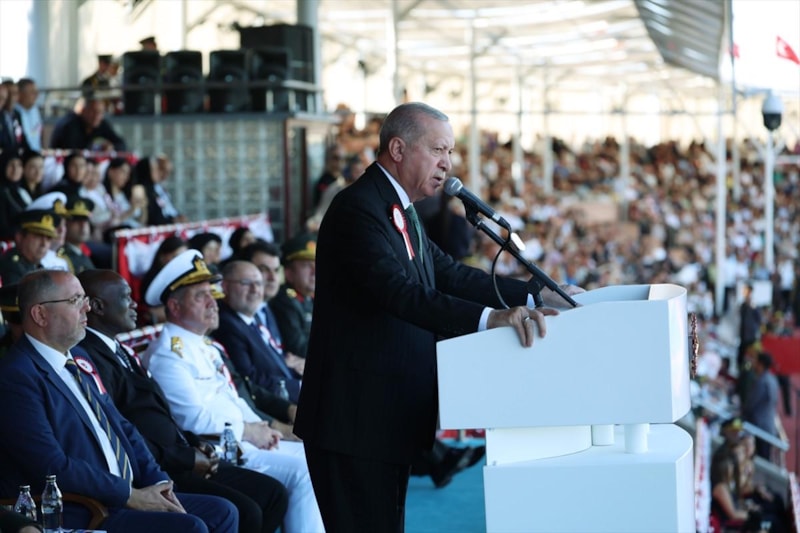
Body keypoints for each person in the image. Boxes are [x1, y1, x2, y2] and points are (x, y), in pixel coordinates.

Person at [295, 102, 572, 531]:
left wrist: (537, 293)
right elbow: (399, 294)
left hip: (385, 417)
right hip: (354, 419)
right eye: (438, 150)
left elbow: (447, 274)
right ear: (398, 149)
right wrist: (491, 319)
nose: (447, 163)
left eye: (450, 152)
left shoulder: (399, 206)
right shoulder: (358, 209)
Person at [0, 269, 239, 533]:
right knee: (189, 527)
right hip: (84, 508)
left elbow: (122, 427)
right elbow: (52, 465)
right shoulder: (16, 376)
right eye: (75, 300)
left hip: (126, 493)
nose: (86, 307)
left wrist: (160, 483)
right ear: (40, 314)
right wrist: (128, 495)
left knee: (223, 512)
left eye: (85, 299)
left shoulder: (79, 357)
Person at [76, 269, 289, 533]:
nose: (134, 305)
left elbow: (162, 415)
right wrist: (187, 457)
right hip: (161, 467)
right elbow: (123, 430)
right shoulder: (91, 358)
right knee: (245, 509)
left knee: (272, 493)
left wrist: (194, 444)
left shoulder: (118, 349)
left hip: (182, 454)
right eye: (125, 297)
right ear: (97, 307)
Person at [141, 249, 324, 533]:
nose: (213, 303)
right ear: (175, 307)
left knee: (316, 456)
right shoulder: (167, 354)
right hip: (219, 450)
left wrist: (262, 427)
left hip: (243, 440)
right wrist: (248, 431)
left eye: (211, 294)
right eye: (200, 296)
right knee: (305, 471)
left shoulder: (203, 345)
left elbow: (233, 397)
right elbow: (192, 418)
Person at [214, 260, 302, 402]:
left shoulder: (253, 317)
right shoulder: (227, 325)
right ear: (225, 287)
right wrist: (297, 387)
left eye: (259, 283)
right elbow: (249, 378)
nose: (255, 289)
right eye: (246, 283)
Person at [269, 233, 316, 358]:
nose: (314, 271)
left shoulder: (309, 298)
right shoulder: (285, 301)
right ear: (288, 273)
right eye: (307, 265)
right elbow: (299, 348)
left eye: (317, 264)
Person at [49, 96, 127, 152]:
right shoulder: (70, 125)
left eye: (100, 112)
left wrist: (111, 147)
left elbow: (121, 144)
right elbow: (72, 154)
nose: (96, 116)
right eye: (93, 111)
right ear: (83, 110)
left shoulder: (101, 123)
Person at [0, 210, 58, 284]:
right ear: (19, 237)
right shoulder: (11, 267)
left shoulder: (37, 266)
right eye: (38, 236)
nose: (44, 244)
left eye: (48, 238)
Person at [743, 352, 779, 460]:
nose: (753, 364)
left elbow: (751, 404)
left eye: (756, 361)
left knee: (760, 460)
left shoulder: (762, 382)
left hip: (760, 427)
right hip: (767, 425)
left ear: (761, 364)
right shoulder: (772, 379)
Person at [737, 283, 762, 372]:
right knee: (741, 354)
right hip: (743, 334)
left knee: (750, 354)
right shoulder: (743, 304)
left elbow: (759, 318)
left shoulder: (754, 304)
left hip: (751, 334)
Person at [14, 78, 42, 151]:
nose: (36, 95)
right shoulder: (13, 113)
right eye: (32, 92)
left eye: (36, 92)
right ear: (20, 94)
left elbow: (39, 132)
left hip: (36, 153)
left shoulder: (35, 110)